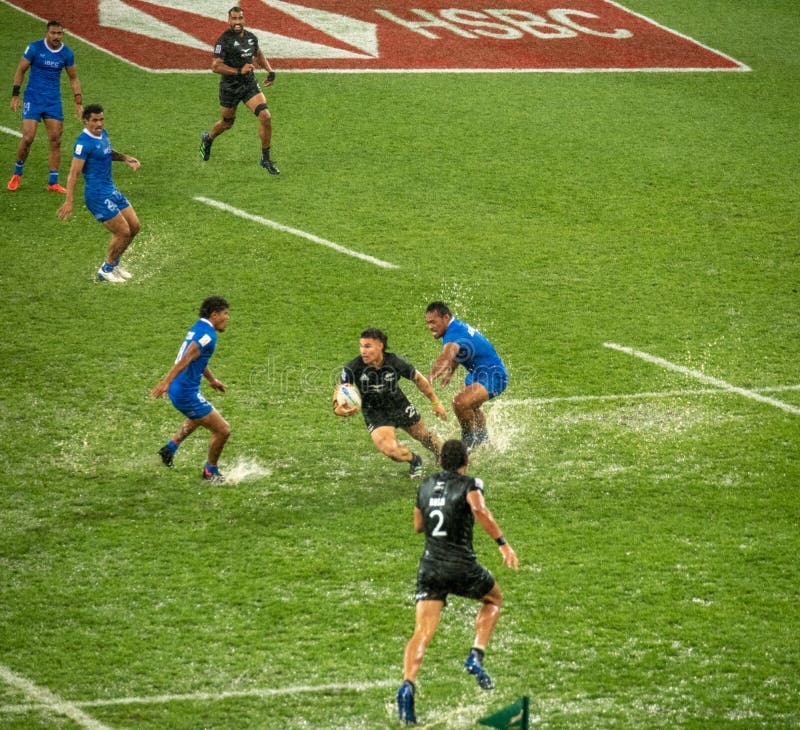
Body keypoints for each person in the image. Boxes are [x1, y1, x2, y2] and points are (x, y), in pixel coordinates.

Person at [397, 439, 518, 725]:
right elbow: (479, 510)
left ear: (439, 461)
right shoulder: (471, 484)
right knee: (494, 599)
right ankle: (476, 655)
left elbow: (417, 526)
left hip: (430, 567)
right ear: (466, 462)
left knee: (422, 632)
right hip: (461, 565)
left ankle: (407, 685)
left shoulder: (425, 485)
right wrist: (502, 544)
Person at [334, 328, 447, 478]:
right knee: (391, 451)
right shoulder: (352, 367)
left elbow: (419, 379)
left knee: (423, 436)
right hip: (375, 413)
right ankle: (415, 460)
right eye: (361, 346)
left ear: (380, 345)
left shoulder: (395, 362)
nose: (363, 351)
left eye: (367, 346)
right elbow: (340, 389)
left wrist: (435, 403)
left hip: (399, 405)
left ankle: (444, 456)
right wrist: (337, 408)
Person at [151, 296, 232, 484]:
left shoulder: (200, 328)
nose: (227, 318)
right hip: (184, 392)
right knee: (223, 430)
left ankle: (169, 449)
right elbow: (187, 358)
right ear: (214, 315)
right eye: (225, 314)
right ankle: (210, 472)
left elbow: (197, 358)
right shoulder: (207, 336)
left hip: (184, 388)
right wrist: (166, 382)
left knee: (199, 418)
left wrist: (212, 380)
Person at [56, 104, 141, 283]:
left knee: (134, 226)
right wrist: (69, 201)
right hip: (96, 195)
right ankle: (106, 269)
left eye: (101, 119)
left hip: (110, 189)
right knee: (123, 232)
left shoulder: (103, 134)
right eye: (95, 120)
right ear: (85, 121)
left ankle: (114, 264)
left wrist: (125, 158)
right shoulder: (83, 143)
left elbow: (107, 152)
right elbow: (73, 173)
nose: (99, 123)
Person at [199, 5, 279, 175]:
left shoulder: (251, 37)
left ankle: (265, 159)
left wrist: (270, 70)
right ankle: (208, 138)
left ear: (244, 19)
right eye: (234, 19)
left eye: (240, 18)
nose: (237, 22)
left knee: (265, 116)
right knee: (227, 123)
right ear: (229, 21)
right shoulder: (223, 41)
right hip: (230, 87)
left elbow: (258, 54)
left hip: (249, 84)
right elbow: (215, 66)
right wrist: (237, 71)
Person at [8, 20, 83, 193]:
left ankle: (53, 182)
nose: (56, 37)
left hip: (53, 101)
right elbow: (21, 70)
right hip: (33, 99)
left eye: (59, 33)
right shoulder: (35, 48)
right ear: (47, 33)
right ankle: (17, 173)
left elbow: (73, 78)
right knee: (28, 138)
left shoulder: (66, 53)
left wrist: (78, 102)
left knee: (56, 140)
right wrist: (15, 94)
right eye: (53, 33)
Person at [424, 302, 509, 450]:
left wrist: (430, 376)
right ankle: (483, 440)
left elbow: (446, 356)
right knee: (471, 407)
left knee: (460, 403)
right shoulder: (456, 327)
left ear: (445, 317)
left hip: (493, 374)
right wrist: (451, 371)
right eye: (428, 323)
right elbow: (460, 350)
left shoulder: (453, 333)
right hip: (478, 373)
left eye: (433, 322)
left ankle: (468, 444)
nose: (430, 327)